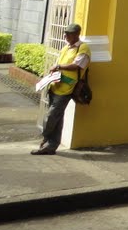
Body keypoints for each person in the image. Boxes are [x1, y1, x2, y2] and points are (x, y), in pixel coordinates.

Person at [33, 23, 91, 155]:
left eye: (69, 34)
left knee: (52, 116)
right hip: (56, 85)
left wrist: (59, 67)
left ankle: (46, 137)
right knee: (57, 118)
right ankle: (51, 146)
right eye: (66, 33)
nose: (66, 36)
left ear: (76, 35)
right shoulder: (66, 48)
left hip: (67, 88)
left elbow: (78, 65)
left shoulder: (83, 48)